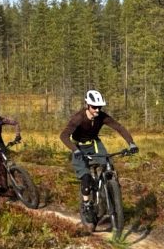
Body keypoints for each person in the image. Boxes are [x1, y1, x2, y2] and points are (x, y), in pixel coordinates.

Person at [59, 89, 138, 226]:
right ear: (87, 105)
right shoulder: (78, 118)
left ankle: (112, 191)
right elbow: (63, 136)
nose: (97, 109)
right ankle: (87, 204)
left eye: (99, 107)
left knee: (109, 165)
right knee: (85, 178)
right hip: (78, 147)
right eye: (94, 107)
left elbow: (119, 127)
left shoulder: (101, 116)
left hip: (94, 144)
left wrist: (131, 143)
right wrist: (74, 150)